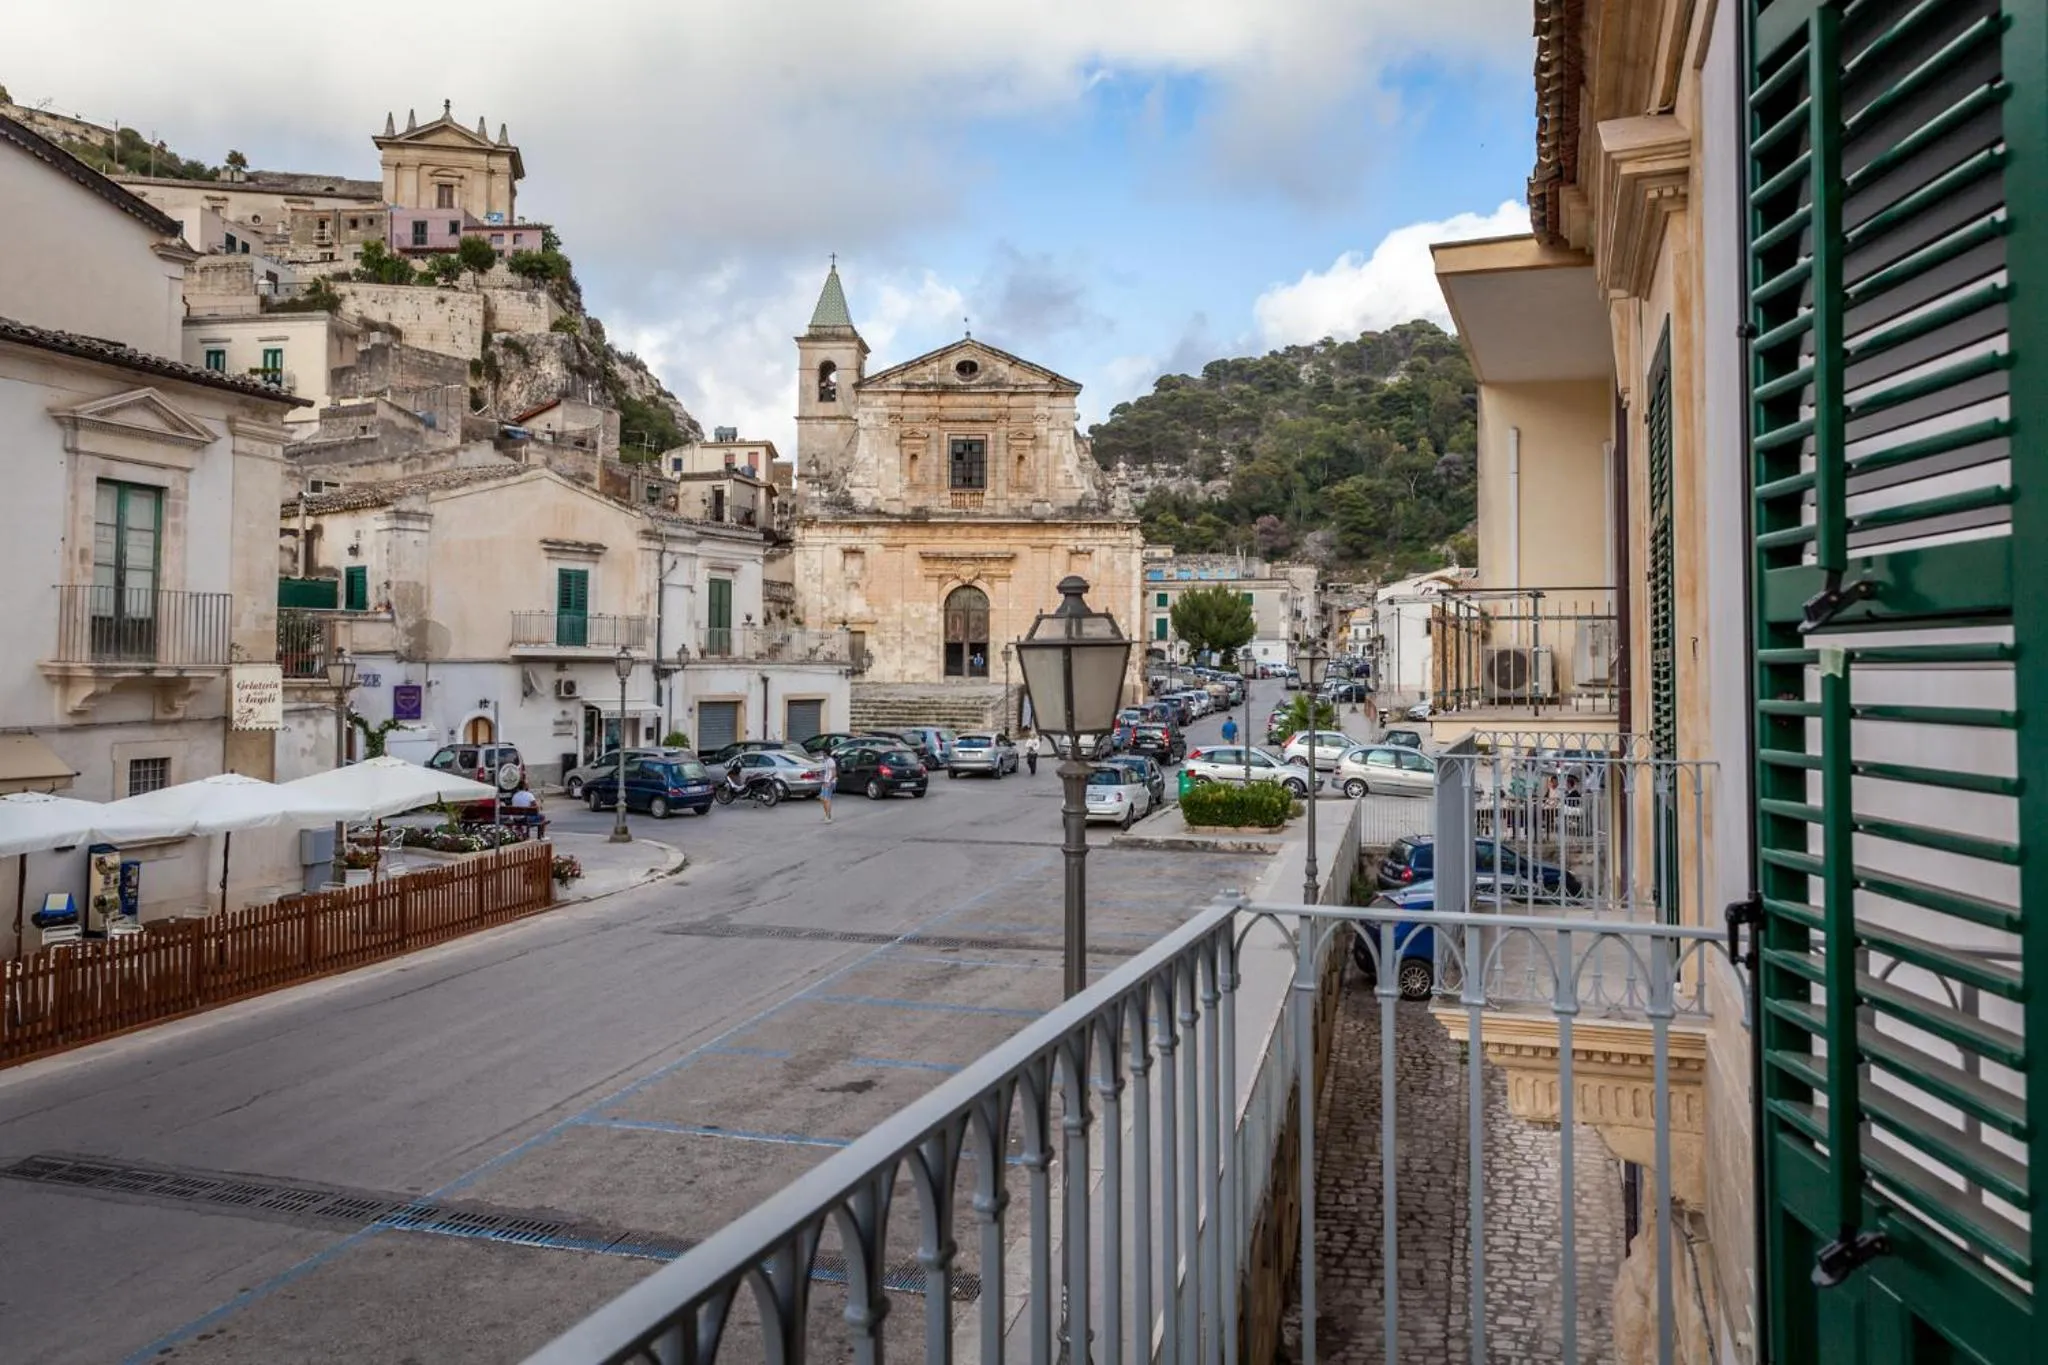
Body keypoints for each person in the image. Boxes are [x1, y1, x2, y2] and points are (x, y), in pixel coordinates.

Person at [819, 751, 838, 821]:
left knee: (827, 799)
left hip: (830, 782)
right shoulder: (825, 760)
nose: (820, 754)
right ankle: (827, 814)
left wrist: (829, 782)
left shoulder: (831, 761)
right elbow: (825, 771)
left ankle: (828, 817)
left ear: (825, 753)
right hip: (825, 781)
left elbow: (834, 773)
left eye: (821, 752)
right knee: (822, 798)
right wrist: (822, 778)